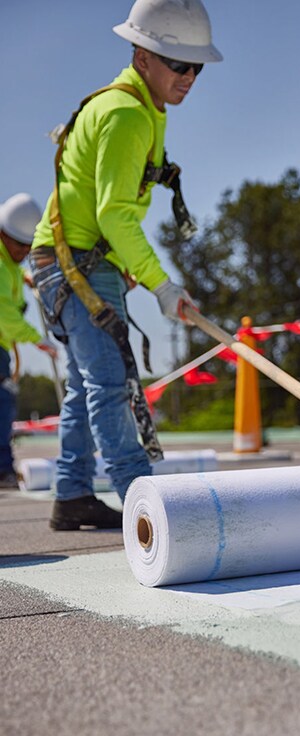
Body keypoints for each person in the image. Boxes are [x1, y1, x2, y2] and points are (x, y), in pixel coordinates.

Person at [30, 0, 222, 530]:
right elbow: (114, 212)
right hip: (74, 267)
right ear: (142, 56)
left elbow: (107, 207)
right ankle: (148, 507)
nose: (190, 78)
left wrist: (134, 270)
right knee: (110, 384)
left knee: (87, 386)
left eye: (197, 67)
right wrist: (162, 285)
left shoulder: (145, 108)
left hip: (77, 264)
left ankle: (70, 496)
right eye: (179, 65)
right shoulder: (125, 114)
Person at [0, 193, 58, 489]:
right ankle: (2, 470)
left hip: (2, 346)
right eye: (20, 245)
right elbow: (4, 312)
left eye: (29, 246)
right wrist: (38, 339)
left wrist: (24, 276)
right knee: (2, 405)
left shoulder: (7, 260)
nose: (25, 252)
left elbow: (10, 271)